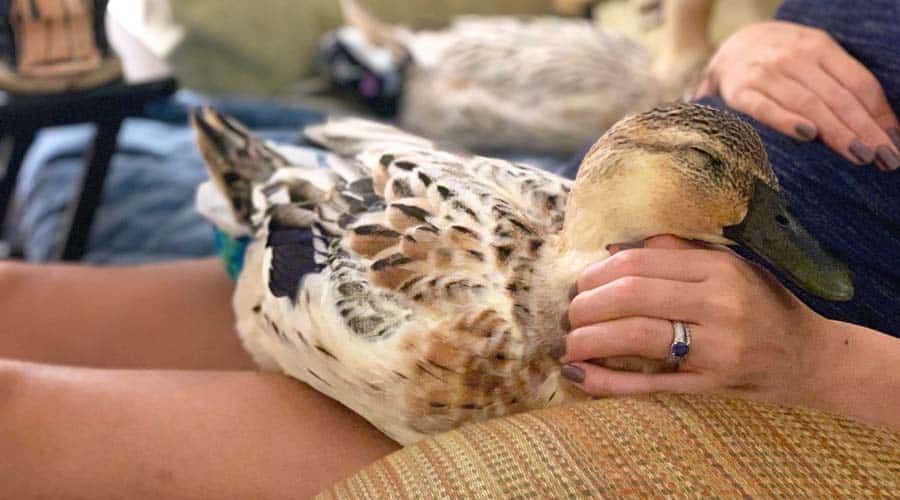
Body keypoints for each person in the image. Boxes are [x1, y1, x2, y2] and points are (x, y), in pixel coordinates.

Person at [1, 1, 898, 497]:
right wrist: (747, 48)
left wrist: (818, 358)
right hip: (555, 242)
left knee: (18, 414)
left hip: (685, 386)